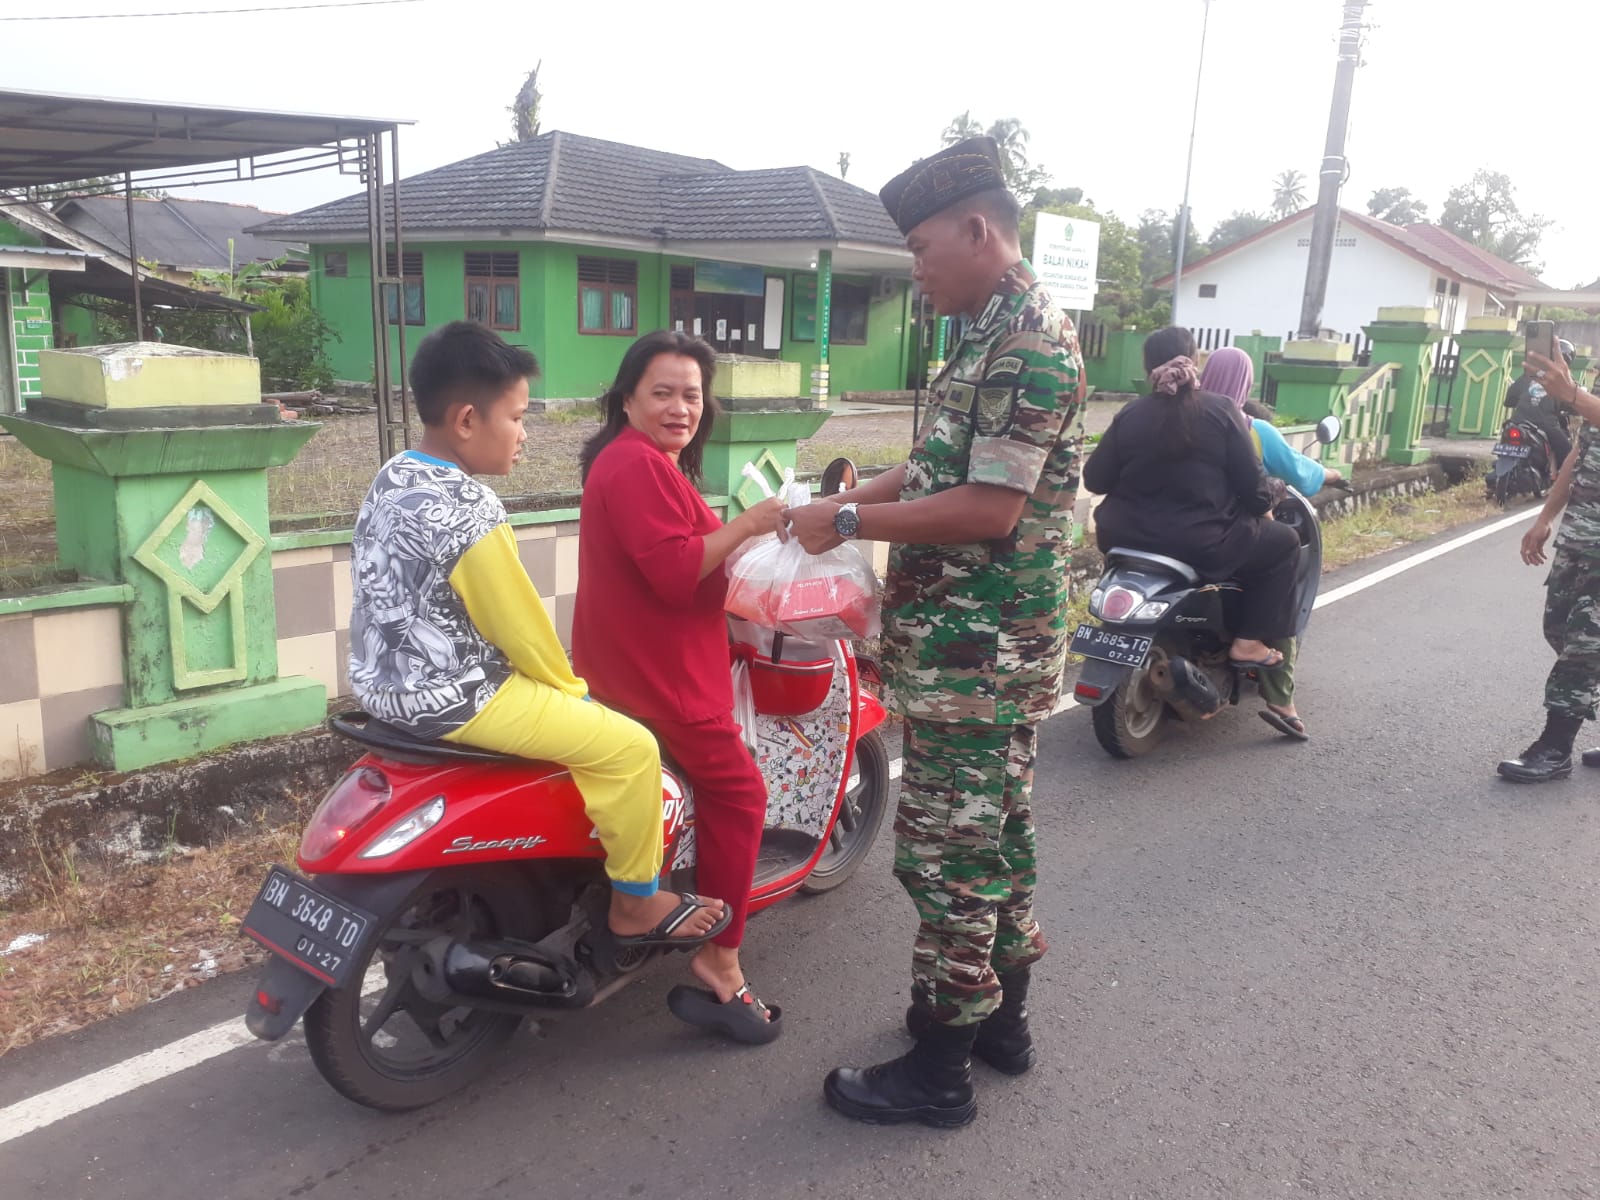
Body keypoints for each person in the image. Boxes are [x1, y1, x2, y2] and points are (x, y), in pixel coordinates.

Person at [785, 136, 1084, 1128]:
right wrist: (829, 506)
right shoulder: (985, 331)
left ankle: (940, 1069)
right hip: (974, 649)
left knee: (947, 856)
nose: (914, 269)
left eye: (920, 248)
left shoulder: (1028, 342)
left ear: (977, 229)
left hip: (979, 654)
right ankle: (1001, 1026)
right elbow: (931, 472)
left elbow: (988, 510)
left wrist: (851, 522)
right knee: (996, 838)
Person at [347, 321, 728, 951]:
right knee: (630, 747)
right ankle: (636, 902)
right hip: (460, 696)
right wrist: (574, 693)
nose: (524, 435)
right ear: (468, 420)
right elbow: (521, 631)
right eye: (518, 418)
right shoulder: (468, 507)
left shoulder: (395, 476)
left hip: (386, 689)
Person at [573, 330, 788, 1043]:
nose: (679, 407)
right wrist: (749, 523)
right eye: (661, 392)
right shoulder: (636, 465)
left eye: (691, 394)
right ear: (627, 398)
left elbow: (684, 558)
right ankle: (722, 961)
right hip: (659, 677)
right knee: (741, 792)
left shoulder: (642, 462)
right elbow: (675, 572)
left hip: (634, 665)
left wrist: (747, 542)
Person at [1085, 327, 1300, 671]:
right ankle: (1247, 643)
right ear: (1195, 360)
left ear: (1146, 367)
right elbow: (1255, 492)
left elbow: (1094, 479)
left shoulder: (1130, 414)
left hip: (1122, 539)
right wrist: (1262, 501)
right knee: (1285, 542)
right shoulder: (1222, 410)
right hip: (1200, 544)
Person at [1198, 346, 1344, 739]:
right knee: (1282, 574)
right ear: (1245, 384)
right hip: (1230, 538)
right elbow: (1302, 472)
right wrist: (1332, 474)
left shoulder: (1181, 420)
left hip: (1169, 534)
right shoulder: (1250, 429)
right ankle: (1282, 700)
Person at [1496, 342, 1600, 782]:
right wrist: (1544, 518)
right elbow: (1581, 451)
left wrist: (1573, 395)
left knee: (1583, 646)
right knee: (1557, 630)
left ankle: (1554, 748)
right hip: (1580, 537)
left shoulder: (1581, 392)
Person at [1504, 339, 1575, 470]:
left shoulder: (1529, 374)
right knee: (1568, 454)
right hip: (1545, 425)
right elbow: (1572, 402)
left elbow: (1509, 399)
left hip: (1517, 422)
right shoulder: (1564, 380)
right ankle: (1557, 485)